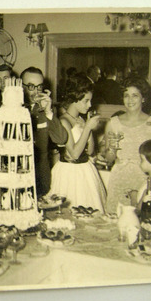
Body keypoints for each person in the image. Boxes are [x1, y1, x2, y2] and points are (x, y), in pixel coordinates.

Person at [102, 77, 151, 213]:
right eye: (126, 96)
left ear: (143, 98)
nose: (130, 100)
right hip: (119, 179)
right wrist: (111, 149)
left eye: (135, 95)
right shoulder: (113, 123)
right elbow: (109, 159)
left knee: (142, 222)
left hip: (144, 180)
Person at [49, 76, 106, 212]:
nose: (90, 105)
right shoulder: (64, 121)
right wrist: (87, 128)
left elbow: (91, 151)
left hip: (85, 170)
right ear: (74, 100)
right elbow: (74, 154)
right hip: (69, 172)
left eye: (90, 101)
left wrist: (88, 128)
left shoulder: (79, 119)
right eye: (86, 101)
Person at [20, 67, 68, 196]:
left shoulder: (45, 110)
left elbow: (61, 139)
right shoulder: (12, 108)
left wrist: (48, 112)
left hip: (40, 175)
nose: (36, 92)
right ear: (21, 86)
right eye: (31, 86)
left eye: (39, 87)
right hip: (17, 173)